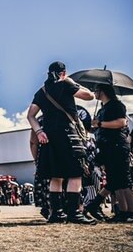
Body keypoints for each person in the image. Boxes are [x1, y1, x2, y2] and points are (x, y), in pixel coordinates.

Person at [27, 61, 96, 224]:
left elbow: (30, 115)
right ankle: (74, 213)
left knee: (55, 176)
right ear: (63, 73)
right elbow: (89, 96)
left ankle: (56, 214)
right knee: (75, 174)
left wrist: (39, 131)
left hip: (49, 137)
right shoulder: (66, 84)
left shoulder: (42, 91)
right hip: (69, 134)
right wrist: (71, 81)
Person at [84, 84, 133, 223]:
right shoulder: (102, 109)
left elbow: (121, 122)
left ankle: (132, 212)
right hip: (107, 148)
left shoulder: (116, 105)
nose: (94, 92)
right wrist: (93, 127)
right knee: (116, 181)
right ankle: (123, 212)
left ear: (103, 91)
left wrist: (100, 124)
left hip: (118, 146)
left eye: (96, 90)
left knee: (125, 180)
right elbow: (99, 128)